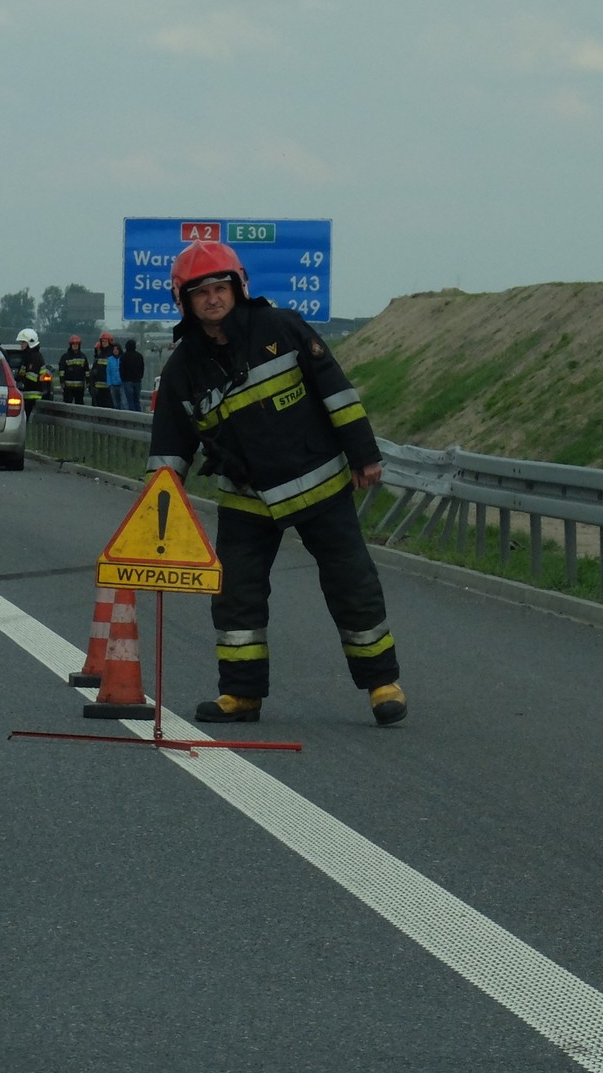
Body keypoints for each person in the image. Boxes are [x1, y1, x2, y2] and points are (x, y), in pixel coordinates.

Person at [146, 240, 406, 726]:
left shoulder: (281, 327)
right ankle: (241, 696)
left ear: (238, 287)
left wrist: (364, 455)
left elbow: (336, 391)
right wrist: (158, 506)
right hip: (246, 501)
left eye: (220, 287)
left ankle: (382, 685)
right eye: (200, 292)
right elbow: (169, 443)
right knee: (235, 594)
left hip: (320, 485)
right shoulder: (183, 367)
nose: (212, 299)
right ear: (183, 301)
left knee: (353, 585)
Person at [13, 328, 49, 412]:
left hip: (32, 395)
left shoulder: (34, 357)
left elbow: (32, 377)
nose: (21, 345)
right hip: (27, 395)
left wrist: (21, 383)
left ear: (30, 342)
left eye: (23, 342)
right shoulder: (27, 356)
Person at [56, 334, 89, 404]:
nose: (75, 345)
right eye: (73, 344)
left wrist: (88, 382)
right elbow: (61, 370)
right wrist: (62, 382)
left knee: (79, 404)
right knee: (67, 404)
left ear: (79, 345)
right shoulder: (65, 357)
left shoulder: (83, 357)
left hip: (80, 387)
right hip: (68, 387)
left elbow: (87, 371)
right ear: (70, 345)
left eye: (77, 344)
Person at [88, 331, 118, 407]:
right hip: (99, 387)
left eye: (105, 341)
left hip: (109, 387)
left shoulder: (112, 353)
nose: (103, 343)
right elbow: (94, 370)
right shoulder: (100, 354)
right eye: (102, 341)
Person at [119, 338, 146, 412]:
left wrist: (123, 378)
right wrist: (140, 376)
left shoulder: (124, 356)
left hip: (127, 381)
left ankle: (132, 414)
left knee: (130, 400)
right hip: (137, 381)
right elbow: (142, 367)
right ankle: (139, 414)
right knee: (137, 400)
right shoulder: (139, 356)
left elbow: (121, 369)